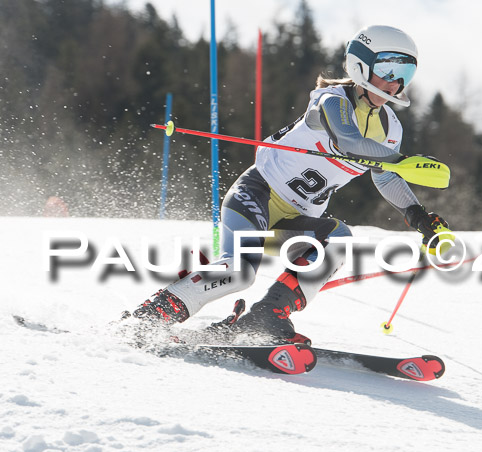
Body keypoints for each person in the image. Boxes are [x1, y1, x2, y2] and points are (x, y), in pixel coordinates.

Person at [127, 25, 451, 343]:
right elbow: (348, 140)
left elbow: (385, 176)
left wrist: (419, 217)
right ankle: (150, 318)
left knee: (339, 240)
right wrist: (402, 161)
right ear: (361, 65)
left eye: (405, 74)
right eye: (389, 69)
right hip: (256, 195)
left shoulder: (391, 128)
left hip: (292, 221)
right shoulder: (331, 100)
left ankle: (267, 316)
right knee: (238, 272)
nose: (395, 83)